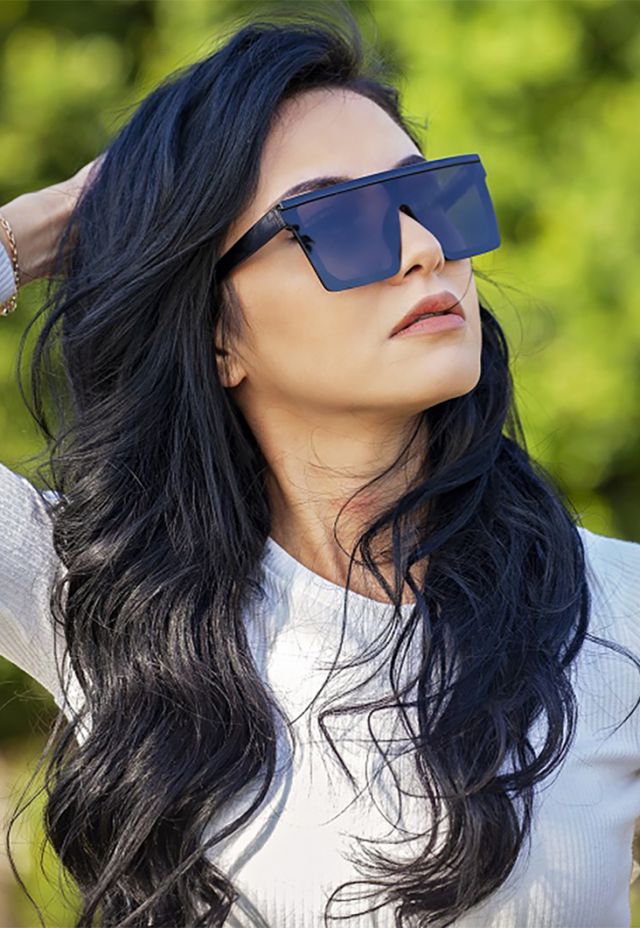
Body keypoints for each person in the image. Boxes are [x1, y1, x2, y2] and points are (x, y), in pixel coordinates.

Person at [0, 5, 639, 928]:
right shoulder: (103, 597)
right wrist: (35, 231)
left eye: (432, 200)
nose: (425, 249)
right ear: (218, 334)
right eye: (345, 222)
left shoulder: (611, 613)